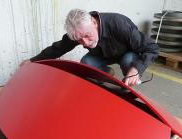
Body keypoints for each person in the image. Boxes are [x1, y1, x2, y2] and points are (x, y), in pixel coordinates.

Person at [27, 9, 159, 86]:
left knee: (128, 61)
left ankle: (128, 82)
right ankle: (107, 74)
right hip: (103, 56)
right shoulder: (78, 31)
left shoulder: (120, 25)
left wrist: (136, 68)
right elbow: (59, 48)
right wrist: (33, 60)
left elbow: (152, 48)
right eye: (79, 39)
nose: (84, 42)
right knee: (86, 63)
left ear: (94, 23)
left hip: (126, 54)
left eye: (87, 35)